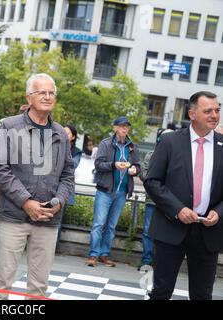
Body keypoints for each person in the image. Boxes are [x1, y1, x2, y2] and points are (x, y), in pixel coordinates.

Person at [0, 73, 75, 299]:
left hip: (48, 219)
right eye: (42, 93)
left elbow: (68, 174)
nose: (48, 97)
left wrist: (58, 202)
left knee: (39, 286)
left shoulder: (60, 133)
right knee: (2, 281)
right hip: (14, 217)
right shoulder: (9, 126)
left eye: (51, 93)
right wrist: (25, 201)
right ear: (29, 98)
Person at [144, 91, 223, 300]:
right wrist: (178, 209)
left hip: (208, 231)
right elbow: (152, 181)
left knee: (202, 294)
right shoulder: (170, 142)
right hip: (171, 227)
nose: (214, 115)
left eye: (217, 110)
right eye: (208, 111)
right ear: (192, 114)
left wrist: (219, 212)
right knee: (161, 291)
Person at [86, 116, 141, 267]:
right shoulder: (106, 143)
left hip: (121, 192)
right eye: (122, 126)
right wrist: (114, 165)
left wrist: (135, 170)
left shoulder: (132, 147)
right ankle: (93, 254)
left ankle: (104, 254)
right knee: (99, 223)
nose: (125, 128)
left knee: (111, 226)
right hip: (105, 191)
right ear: (115, 128)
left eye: (127, 126)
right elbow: (98, 165)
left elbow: (138, 166)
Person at [137, 128, 174, 272]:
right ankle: (146, 260)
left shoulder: (177, 157)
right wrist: (157, 183)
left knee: (166, 232)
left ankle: (161, 262)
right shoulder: (150, 155)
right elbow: (144, 175)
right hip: (152, 200)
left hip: (169, 203)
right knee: (147, 231)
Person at [56, 124, 82, 247]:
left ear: (73, 137)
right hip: (48, 185)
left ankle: (53, 247)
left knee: (58, 219)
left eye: (67, 133)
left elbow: (73, 165)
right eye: (62, 132)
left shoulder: (76, 152)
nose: (64, 135)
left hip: (64, 186)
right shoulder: (54, 145)